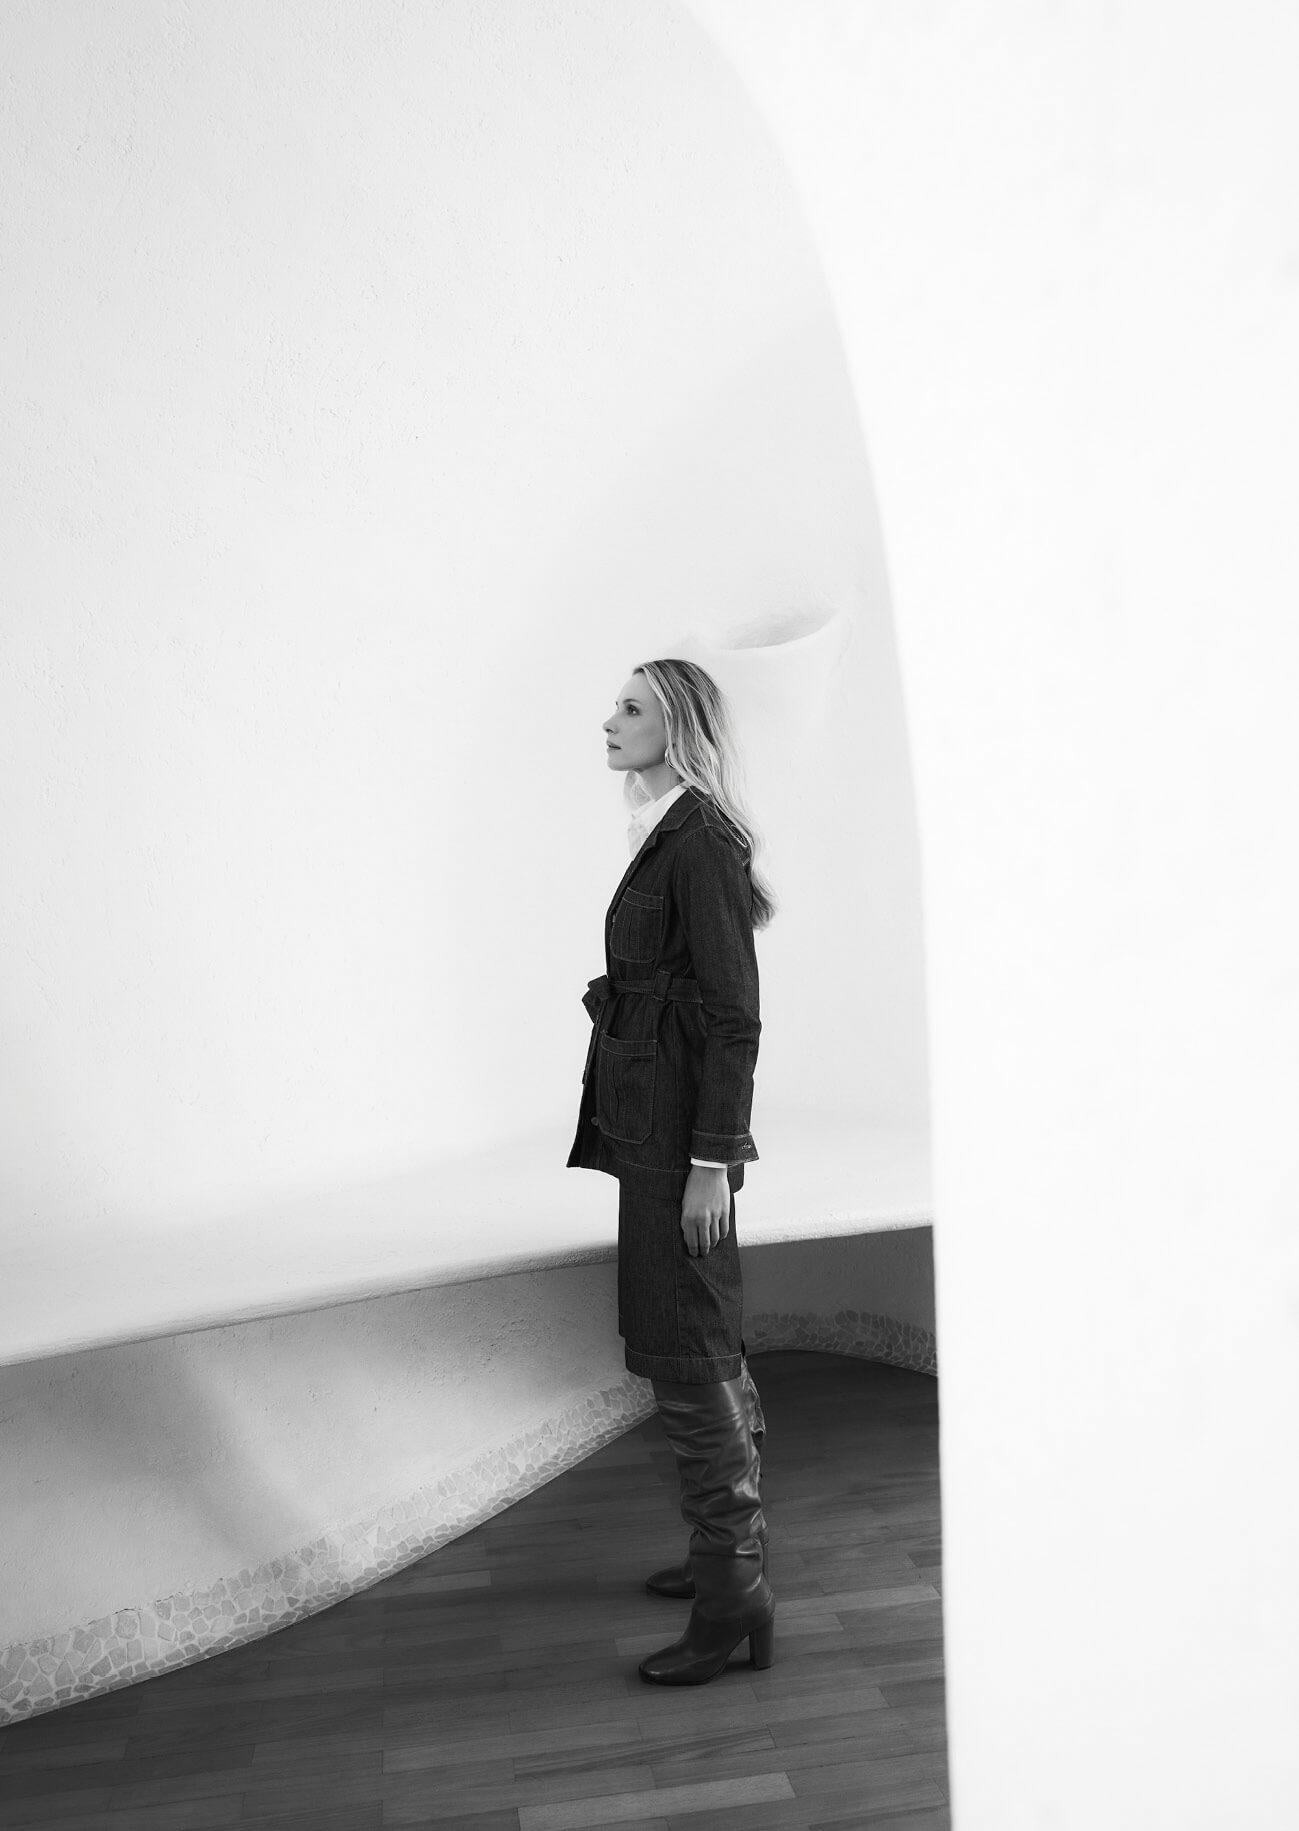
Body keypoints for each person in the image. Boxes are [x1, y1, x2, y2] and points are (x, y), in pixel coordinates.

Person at [566, 657, 779, 1686]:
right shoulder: (665, 829)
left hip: (680, 1141)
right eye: (615, 705)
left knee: (689, 1346)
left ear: (678, 725)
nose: (609, 720)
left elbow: (734, 1018)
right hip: (651, 1125)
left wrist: (710, 1163)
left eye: (631, 707)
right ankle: (725, 1557)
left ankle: (735, 1597)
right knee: (693, 1337)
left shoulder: (699, 840)